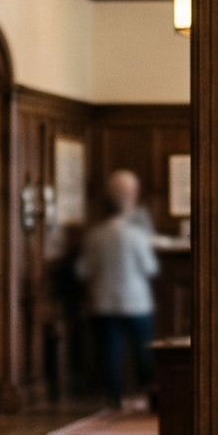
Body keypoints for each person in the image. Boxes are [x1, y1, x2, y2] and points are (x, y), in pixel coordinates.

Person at [77, 168, 162, 415]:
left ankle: (113, 400)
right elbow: (151, 267)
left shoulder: (94, 235)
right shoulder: (136, 235)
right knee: (143, 352)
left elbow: (83, 270)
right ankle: (150, 396)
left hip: (103, 303)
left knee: (110, 354)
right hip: (136, 303)